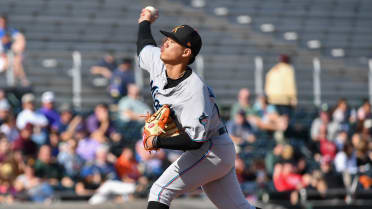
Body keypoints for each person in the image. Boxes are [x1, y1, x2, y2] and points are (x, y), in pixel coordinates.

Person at [137, 7, 257, 209]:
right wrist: (145, 21)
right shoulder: (158, 61)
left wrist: (156, 140)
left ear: (186, 52)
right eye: (167, 39)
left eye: (172, 42)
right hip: (214, 147)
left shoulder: (194, 89)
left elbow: (193, 141)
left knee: (160, 191)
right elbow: (144, 45)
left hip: (211, 147)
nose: (165, 43)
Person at [0, 15, 29, 86]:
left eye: (3, 22)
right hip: (3, 57)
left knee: (16, 62)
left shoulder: (9, 30)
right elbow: (4, 40)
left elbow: (20, 38)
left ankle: (19, 82)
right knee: (14, 62)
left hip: (8, 55)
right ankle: (22, 80)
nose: (2, 23)